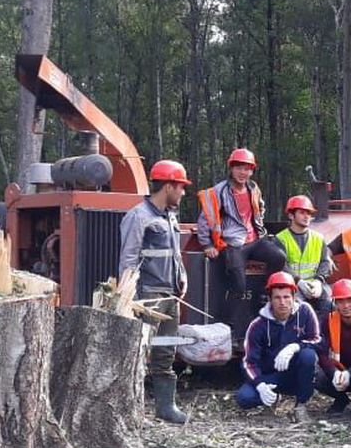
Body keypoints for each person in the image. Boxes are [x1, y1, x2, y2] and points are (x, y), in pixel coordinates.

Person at [119, 159, 192, 424]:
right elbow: (128, 258)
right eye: (181, 187)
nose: (183, 193)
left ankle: (165, 407)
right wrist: (129, 297)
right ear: (169, 186)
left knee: (166, 351)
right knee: (139, 353)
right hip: (148, 295)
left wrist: (182, 276)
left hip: (170, 295)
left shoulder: (170, 217)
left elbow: (174, 253)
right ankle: (131, 410)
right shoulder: (139, 216)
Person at [196, 148, 286, 330]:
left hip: (254, 240)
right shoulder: (219, 191)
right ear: (231, 168)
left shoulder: (253, 189)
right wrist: (207, 244)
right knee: (238, 282)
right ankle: (227, 325)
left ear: (252, 171)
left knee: (278, 257)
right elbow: (206, 218)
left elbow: (260, 209)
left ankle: (263, 294)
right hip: (233, 244)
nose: (243, 173)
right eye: (239, 168)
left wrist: (260, 228)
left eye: (247, 169)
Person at [237, 271, 322, 424]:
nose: (282, 302)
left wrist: (295, 346)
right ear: (269, 299)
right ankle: (272, 399)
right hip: (271, 378)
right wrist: (260, 385)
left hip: (297, 375)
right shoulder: (258, 325)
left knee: (308, 356)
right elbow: (248, 362)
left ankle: (301, 405)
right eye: (277, 297)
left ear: (294, 297)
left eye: (286, 297)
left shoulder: (305, 312)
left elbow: (318, 341)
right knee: (245, 397)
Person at [316, 279, 351, 414]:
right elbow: (322, 353)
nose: (346, 305)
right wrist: (334, 372)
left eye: (350, 300)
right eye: (341, 301)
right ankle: (341, 399)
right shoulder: (328, 321)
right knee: (316, 377)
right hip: (340, 373)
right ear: (335, 303)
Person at [274, 195, 333, 312]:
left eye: (309, 213)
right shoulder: (280, 239)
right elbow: (281, 265)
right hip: (292, 287)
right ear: (291, 215)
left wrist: (318, 281)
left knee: (330, 308)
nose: (307, 217)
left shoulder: (318, 238)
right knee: (298, 311)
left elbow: (325, 262)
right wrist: (298, 282)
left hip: (315, 285)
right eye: (302, 213)